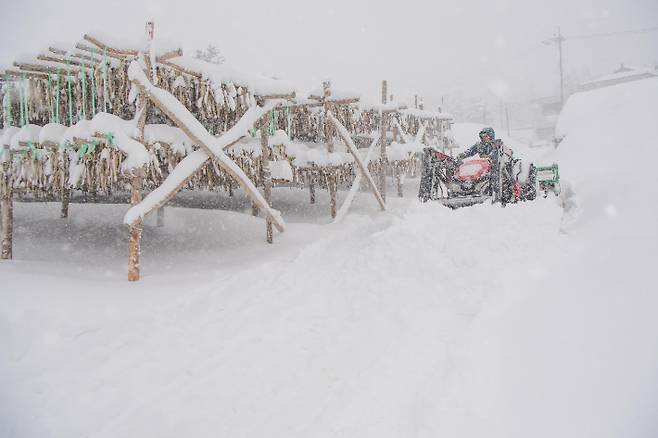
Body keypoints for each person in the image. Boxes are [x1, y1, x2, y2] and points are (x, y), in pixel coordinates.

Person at [456, 127, 505, 201]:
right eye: (482, 136)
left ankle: (492, 192)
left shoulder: (496, 145)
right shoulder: (479, 145)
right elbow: (470, 151)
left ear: (491, 136)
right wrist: (462, 155)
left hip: (492, 166)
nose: (484, 138)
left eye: (486, 136)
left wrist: (493, 158)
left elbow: (500, 154)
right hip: (480, 166)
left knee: (490, 177)